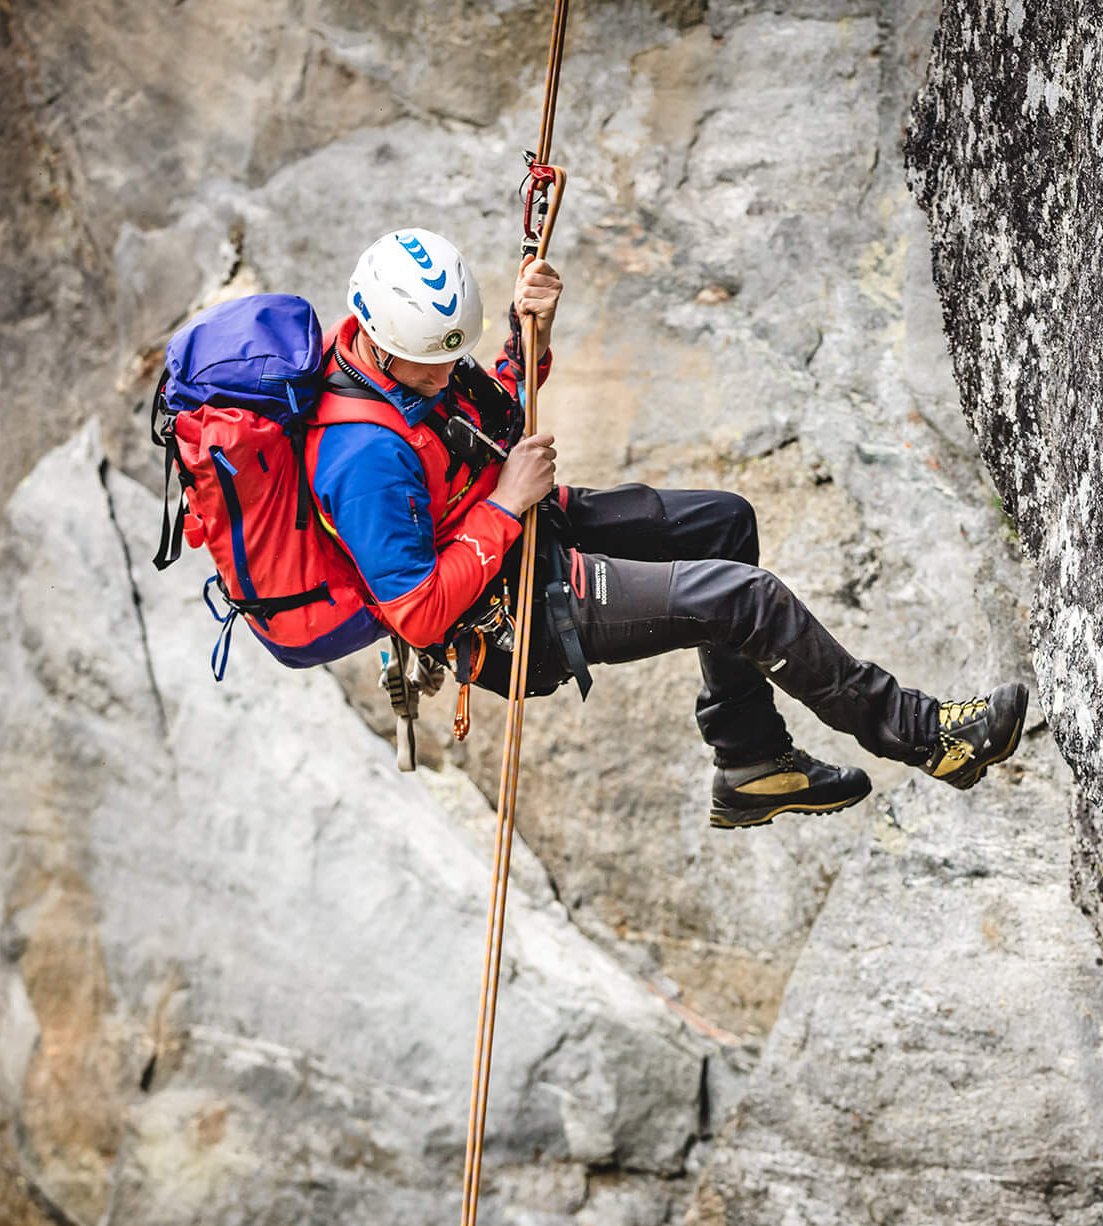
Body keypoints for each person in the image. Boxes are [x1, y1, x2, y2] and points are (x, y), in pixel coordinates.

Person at [313, 227, 1028, 828]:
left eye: (449, 358)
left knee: (723, 523)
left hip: (527, 532)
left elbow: (491, 412)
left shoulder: (411, 363)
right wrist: (504, 502)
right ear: (375, 336)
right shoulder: (362, 458)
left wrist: (528, 338)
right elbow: (417, 612)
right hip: (505, 612)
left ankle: (750, 760)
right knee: (746, 600)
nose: (444, 374)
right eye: (430, 363)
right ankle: (927, 736)